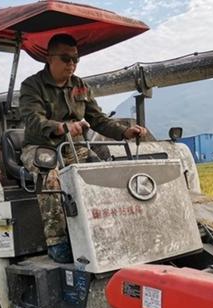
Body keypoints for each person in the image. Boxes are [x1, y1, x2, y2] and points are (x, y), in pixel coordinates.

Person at [19, 33, 147, 263]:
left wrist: (125, 132)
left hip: (74, 148)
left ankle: (104, 230)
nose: (72, 64)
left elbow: (98, 119)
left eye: (75, 59)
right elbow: (33, 120)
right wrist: (62, 127)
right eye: (66, 58)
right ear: (50, 58)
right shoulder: (32, 86)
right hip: (41, 146)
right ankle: (57, 241)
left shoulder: (80, 87)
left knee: (102, 175)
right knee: (49, 177)